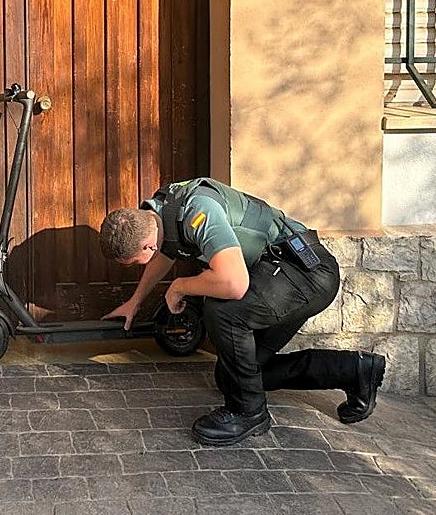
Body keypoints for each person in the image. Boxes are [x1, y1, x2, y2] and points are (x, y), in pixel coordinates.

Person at [100, 177, 386, 447]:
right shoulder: (161, 212)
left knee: (223, 308)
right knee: (234, 379)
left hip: (305, 274)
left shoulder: (198, 210)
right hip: (280, 274)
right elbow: (165, 253)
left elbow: (234, 284)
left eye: (133, 262)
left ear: (146, 244)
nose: (138, 265)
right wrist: (136, 301)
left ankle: (248, 413)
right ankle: (355, 371)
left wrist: (179, 286)